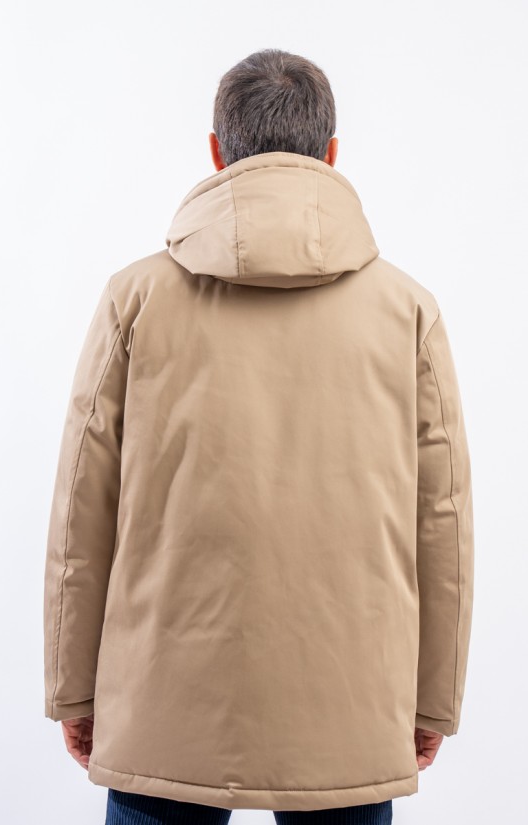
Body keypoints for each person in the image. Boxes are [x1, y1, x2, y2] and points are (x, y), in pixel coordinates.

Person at [43, 48, 475, 825]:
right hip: (350, 703)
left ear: (217, 152)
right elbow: (442, 522)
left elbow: (83, 508)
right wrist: (432, 698)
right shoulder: (407, 310)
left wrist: (74, 688)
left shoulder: (134, 300)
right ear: (331, 154)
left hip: (163, 700)